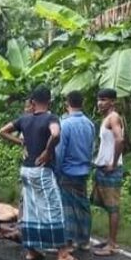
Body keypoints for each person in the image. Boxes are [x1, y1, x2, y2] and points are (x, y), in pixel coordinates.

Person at [0, 86, 86, 260]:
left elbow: (2, 131)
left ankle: (32, 250)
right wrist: (48, 150)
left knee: (31, 209)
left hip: (26, 170)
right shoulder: (50, 118)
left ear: (32, 102)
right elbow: (56, 133)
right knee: (54, 209)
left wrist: (21, 142)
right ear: (50, 101)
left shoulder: (24, 118)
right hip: (42, 170)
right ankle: (63, 253)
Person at [56, 91, 95, 251]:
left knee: (67, 207)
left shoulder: (65, 124)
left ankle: (68, 240)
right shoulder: (89, 124)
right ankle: (84, 239)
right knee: (82, 205)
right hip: (83, 170)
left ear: (67, 103)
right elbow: (92, 147)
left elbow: (60, 151)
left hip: (67, 171)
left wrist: (56, 170)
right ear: (82, 103)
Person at [92, 88, 125, 257]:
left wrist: (113, 162)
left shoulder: (113, 118)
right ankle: (110, 240)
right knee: (106, 205)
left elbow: (120, 139)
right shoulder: (107, 118)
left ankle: (112, 245)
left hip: (111, 169)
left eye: (104, 100)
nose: (100, 103)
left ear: (113, 102)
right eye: (99, 99)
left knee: (112, 207)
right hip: (103, 168)